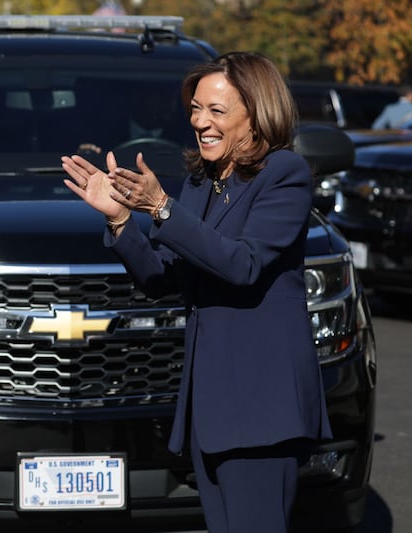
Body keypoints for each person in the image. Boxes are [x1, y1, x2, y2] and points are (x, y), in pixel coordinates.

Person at [61, 51, 332, 532]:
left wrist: (161, 207)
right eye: (195, 109)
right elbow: (163, 277)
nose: (201, 122)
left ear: (257, 114)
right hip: (214, 411)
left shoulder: (283, 174)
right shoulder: (200, 182)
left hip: (260, 409)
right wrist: (121, 220)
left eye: (217, 111)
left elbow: (244, 264)